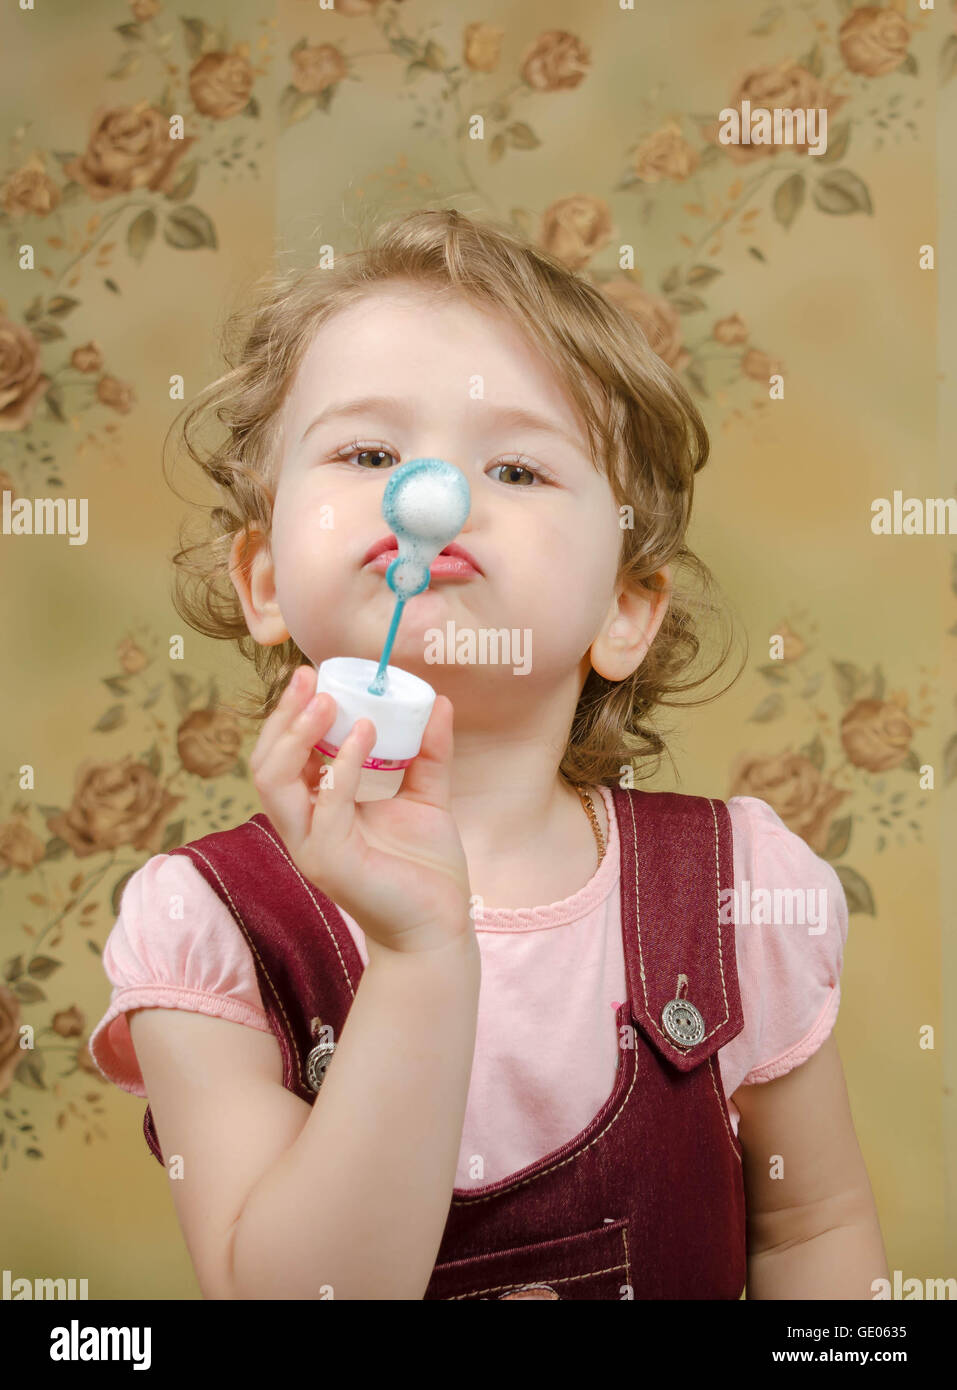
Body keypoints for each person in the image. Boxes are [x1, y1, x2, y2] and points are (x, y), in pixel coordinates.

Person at [89, 208, 888, 1300]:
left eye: (514, 468)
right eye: (368, 452)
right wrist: (421, 955)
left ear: (624, 609)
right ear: (266, 579)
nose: (435, 497)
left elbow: (812, 1231)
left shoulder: (740, 891)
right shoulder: (207, 924)